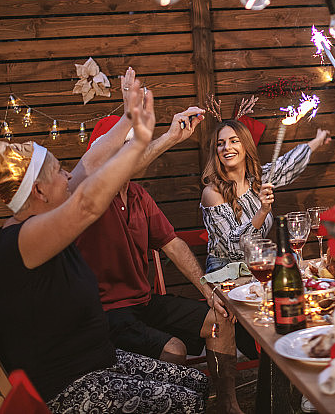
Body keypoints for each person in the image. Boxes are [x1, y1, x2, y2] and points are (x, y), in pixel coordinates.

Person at [0, 77, 208, 413]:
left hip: (96, 362)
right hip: (66, 387)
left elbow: (91, 162)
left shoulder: (43, 219)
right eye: (59, 171)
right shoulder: (23, 240)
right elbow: (86, 203)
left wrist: (129, 119)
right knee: (185, 401)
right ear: (38, 192)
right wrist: (140, 139)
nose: (70, 175)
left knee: (198, 383)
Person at [75, 75, 245, 414]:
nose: (129, 154)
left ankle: (227, 405)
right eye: (123, 148)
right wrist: (169, 137)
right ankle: (177, 406)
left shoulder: (138, 195)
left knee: (219, 317)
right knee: (175, 349)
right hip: (106, 312)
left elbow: (173, 245)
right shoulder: (90, 196)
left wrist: (208, 288)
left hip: (145, 301)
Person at [201, 119, 330, 272]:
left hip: (257, 261)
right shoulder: (212, 193)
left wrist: (318, 140)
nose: (226, 147)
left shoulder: (257, 179)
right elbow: (235, 248)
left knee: (296, 264)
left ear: (246, 145)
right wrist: (262, 211)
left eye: (234, 141)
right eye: (220, 143)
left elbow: (287, 165)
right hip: (226, 269)